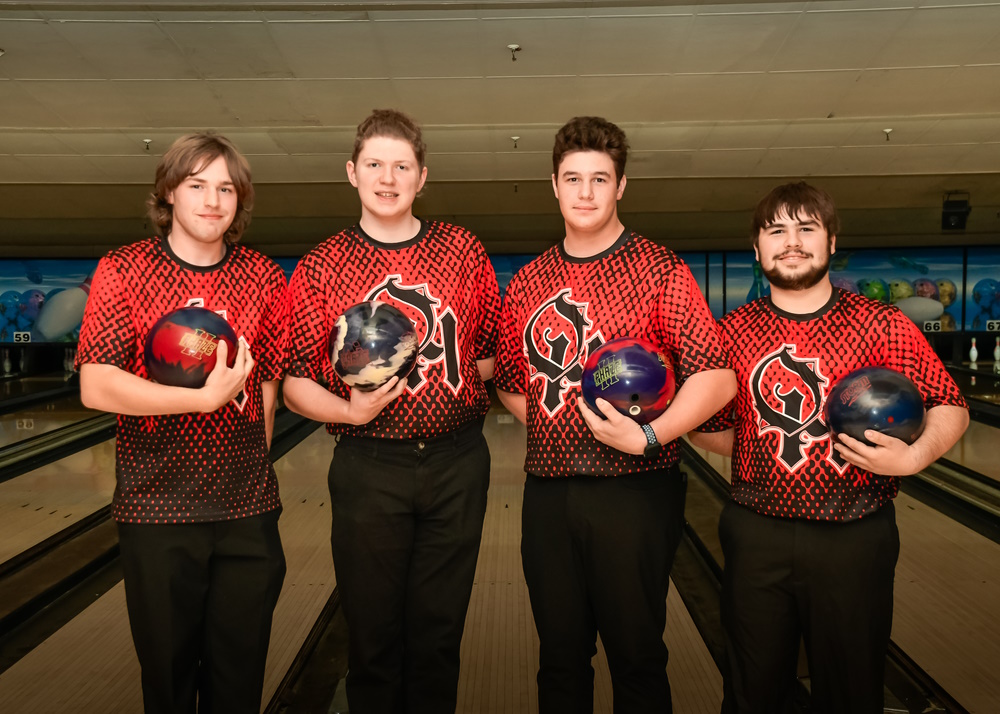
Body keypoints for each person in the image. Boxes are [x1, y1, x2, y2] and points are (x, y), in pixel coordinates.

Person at [689, 181, 970, 714]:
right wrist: (758, 451)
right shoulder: (728, 332)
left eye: (806, 229)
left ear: (831, 241)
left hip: (856, 534)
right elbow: (703, 423)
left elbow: (949, 404)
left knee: (851, 691)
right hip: (756, 533)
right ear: (757, 249)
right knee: (752, 691)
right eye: (776, 231)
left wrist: (911, 457)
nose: (791, 242)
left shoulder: (882, 324)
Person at [494, 116, 737, 713]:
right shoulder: (527, 282)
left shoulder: (659, 268)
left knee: (636, 657)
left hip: (636, 493)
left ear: (621, 185)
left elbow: (716, 374)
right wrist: (564, 430)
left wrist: (649, 435)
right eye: (572, 178)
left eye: (599, 179)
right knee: (559, 661)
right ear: (553, 184)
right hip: (549, 497)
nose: (584, 192)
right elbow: (507, 383)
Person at [282, 109, 500, 714]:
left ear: (422, 177)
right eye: (375, 164)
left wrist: (446, 375)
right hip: (368, 462)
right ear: (352, 172)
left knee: (438, 636)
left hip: (458, 462)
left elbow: (492, 356)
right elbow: (296, 380)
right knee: (373, 638)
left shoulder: (462, 250)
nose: (388, 177)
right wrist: (351, 413)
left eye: (401, 166)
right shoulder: (323, 263)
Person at [76, 133, 289, 713]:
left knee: (239, 683)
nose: (212, 200)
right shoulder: (123, 270)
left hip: (246, 513)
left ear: (238, 201)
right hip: (157, 510)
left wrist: (252, 476)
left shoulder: (265, 278)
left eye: (225, 188)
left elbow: (267, 391)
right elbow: (95, 384)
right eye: (197, 185)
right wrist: (198, 401)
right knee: (168, 684)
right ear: (169, 191)